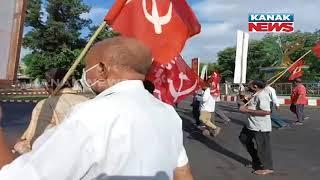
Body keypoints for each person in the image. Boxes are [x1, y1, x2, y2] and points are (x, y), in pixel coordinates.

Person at [0, 37, 193, 180]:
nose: (85, 74)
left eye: (87, 67)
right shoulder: (167, 113)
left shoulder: (91, 114)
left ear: (101, 69)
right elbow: (183, 173)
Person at [13, 68, 89, 155]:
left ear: (49, 85)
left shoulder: (46, 104)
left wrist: (20, 144)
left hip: (57, 157)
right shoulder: (88, 101)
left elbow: (34, 141)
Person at [239, 80, 273, 175]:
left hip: (260, 126)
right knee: (244, 138)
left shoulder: (262, 96)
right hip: (250, 125)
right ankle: (257, 161)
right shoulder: (255, 94)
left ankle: (268, 167)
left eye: (249, 85)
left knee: (263, 148)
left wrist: (246, 110)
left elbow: (266, 112)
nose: (247, 86)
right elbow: (247, 102)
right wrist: (241, 96)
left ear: (255, 86)